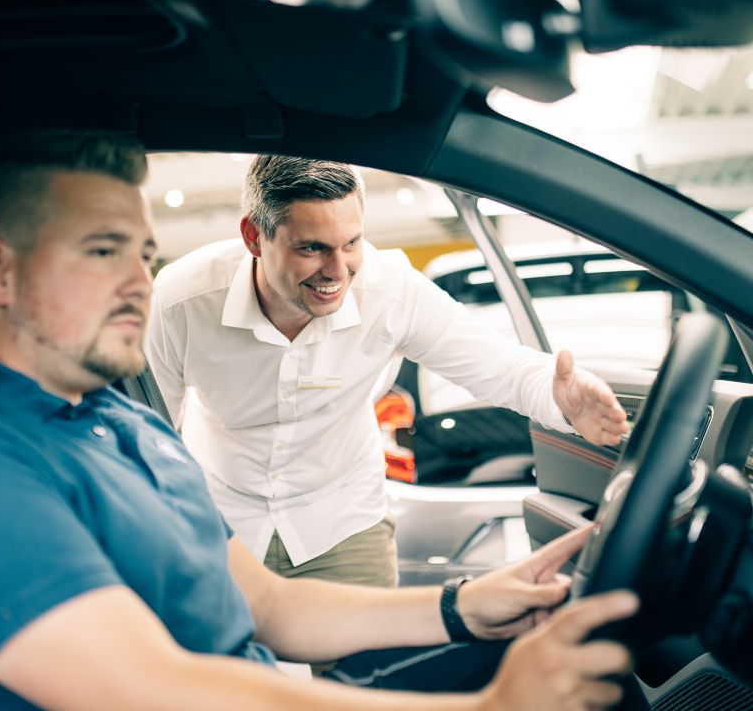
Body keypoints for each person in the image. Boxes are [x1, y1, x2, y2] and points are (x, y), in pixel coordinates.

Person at [0, 129, 639, 711]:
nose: (138, 282)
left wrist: (462, 606)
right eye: (104, 251)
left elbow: (271, 609)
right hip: (236, 517)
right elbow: (154, 686)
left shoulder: (126, 426)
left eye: (144, 255)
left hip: (338, 509)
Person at [145, 154, 630, 587]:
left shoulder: (391, 291)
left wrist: (558, 397)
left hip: (342, 523)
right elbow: (145, 427)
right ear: (254, 236)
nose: (338, 271)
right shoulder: (181, 299)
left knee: (363, 681)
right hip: (219, 522)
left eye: (351, 242)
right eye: (312, 248)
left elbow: (498, 365)